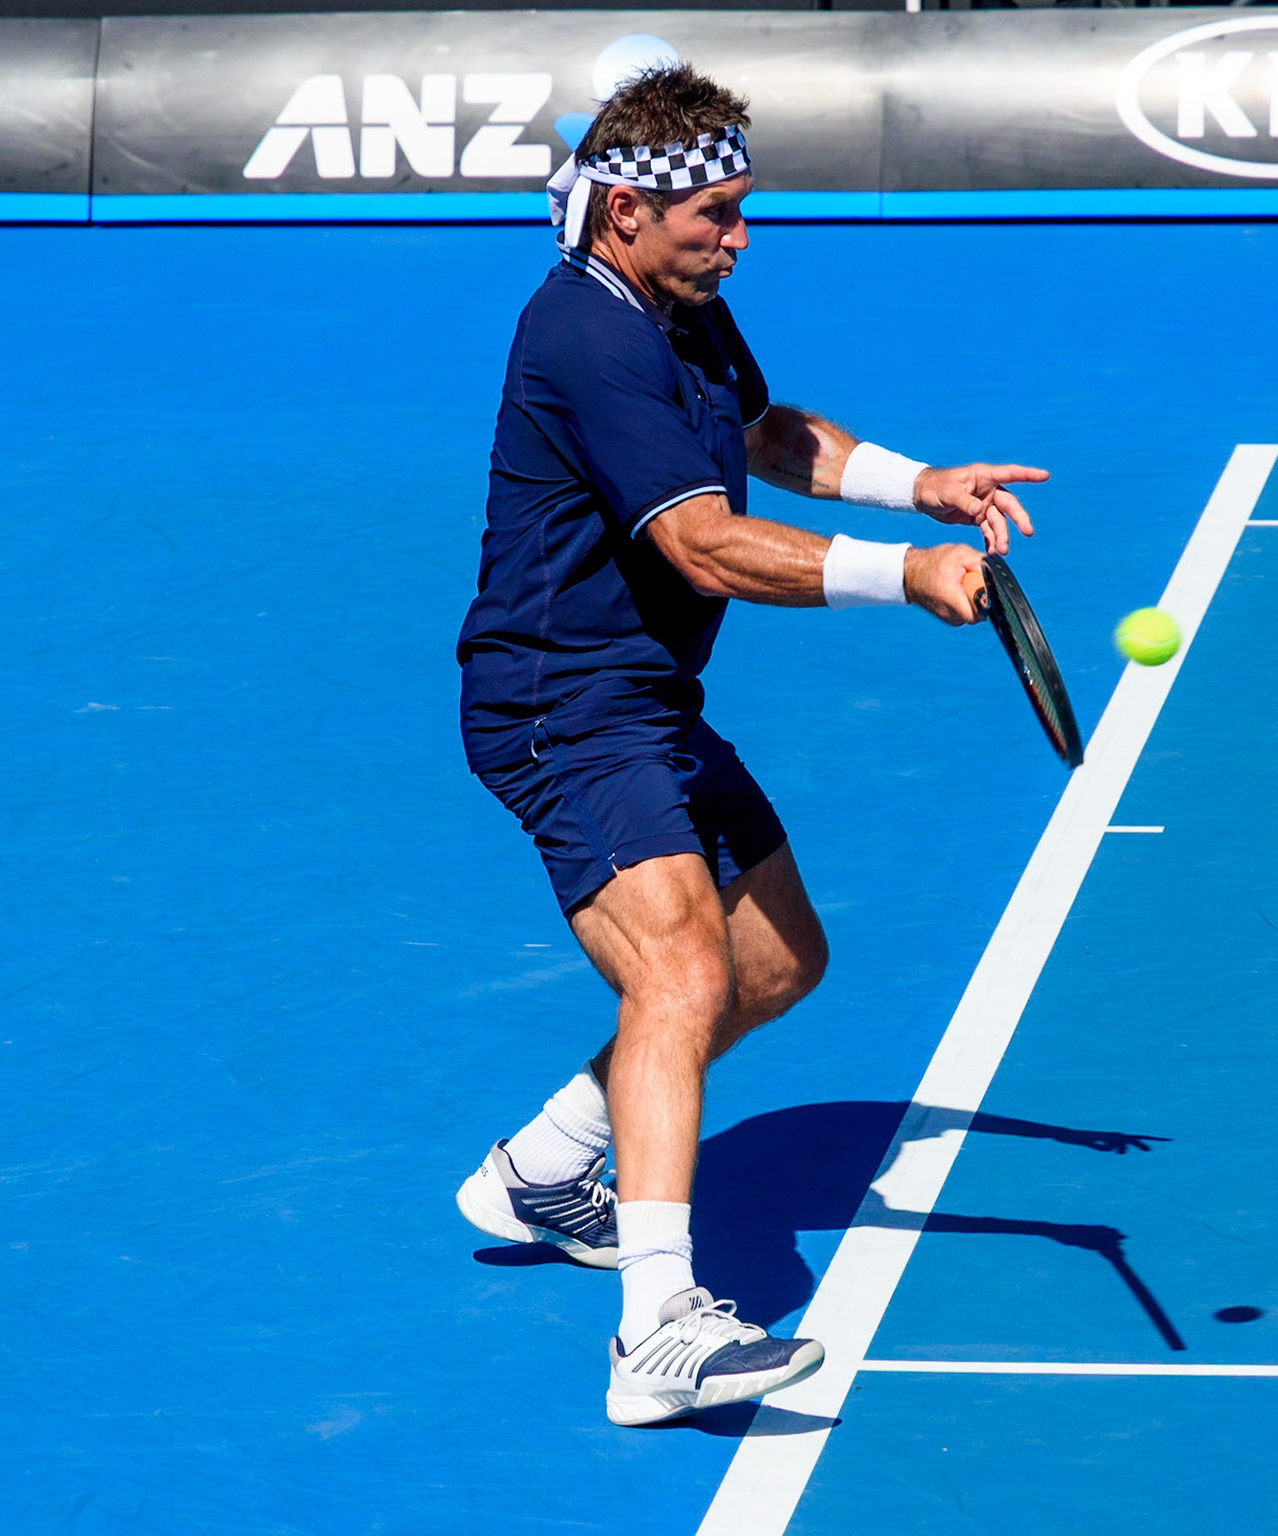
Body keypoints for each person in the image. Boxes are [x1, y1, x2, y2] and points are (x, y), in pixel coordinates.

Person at [450, 63, 1046, 1427]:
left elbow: (764, 434)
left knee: (778, 961)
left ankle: (549, 1164)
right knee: (680, 962)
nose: (738, 238)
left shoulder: (685, 309)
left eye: (741, 210)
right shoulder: (583, 337)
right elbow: (700, 544)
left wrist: (922, 483)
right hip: (560, 703)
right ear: (623, 216)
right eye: (714, 215)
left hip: (647, 696)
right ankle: (657, 1324)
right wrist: (907, 573)